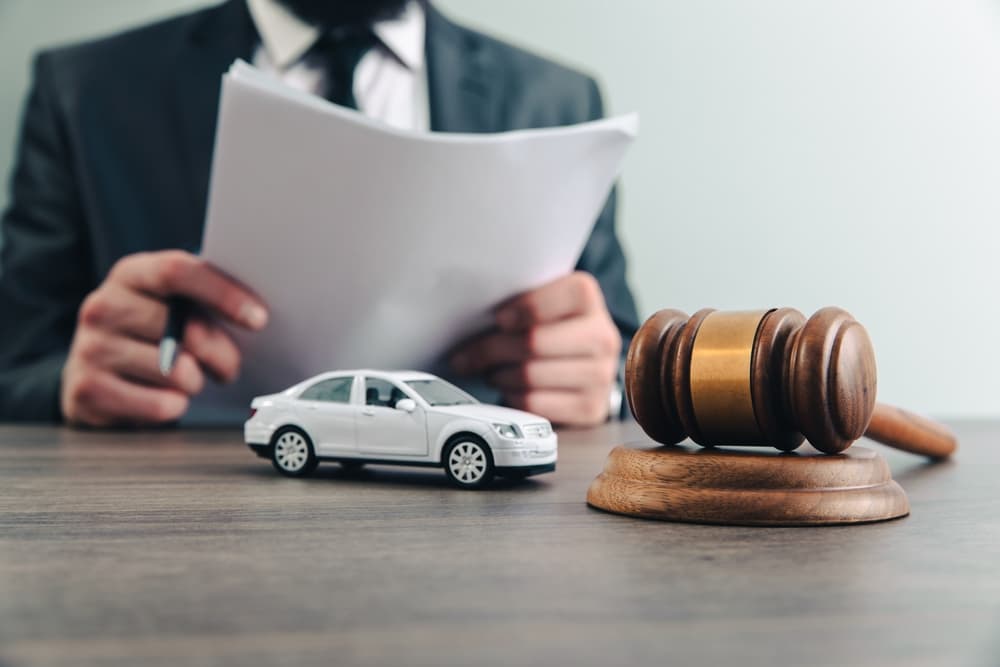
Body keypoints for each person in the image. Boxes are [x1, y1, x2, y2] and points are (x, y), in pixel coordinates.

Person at [0, 0, 639, 427]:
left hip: (476, 521)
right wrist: (69, 381)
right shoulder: (86, 90)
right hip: (187, 531)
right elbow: (16, 363)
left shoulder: (558, 101)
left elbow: (618, 350)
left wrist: (602, 385)